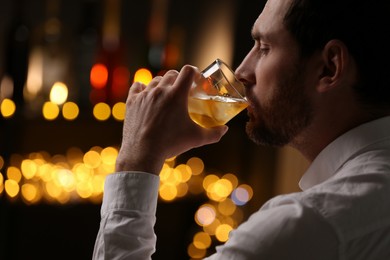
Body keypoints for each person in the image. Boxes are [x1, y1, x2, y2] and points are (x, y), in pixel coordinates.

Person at [92, 0, 390, 259]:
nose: (242, 72)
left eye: (264, 47)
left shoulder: (300, 229)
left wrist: (135, 160)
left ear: (329, 67)